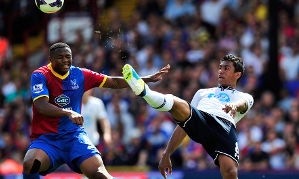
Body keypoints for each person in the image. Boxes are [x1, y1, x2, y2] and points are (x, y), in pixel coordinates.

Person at [22, 42, 169, 179]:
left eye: (68, 57)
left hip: (74, 137)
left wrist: (146, 79)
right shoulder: (40, 75)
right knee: (30, 164)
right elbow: (41, 106)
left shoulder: (80, 74)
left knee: (99, 173)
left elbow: (114, 81)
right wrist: (67, 112)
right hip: (47, 139)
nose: (65, 60)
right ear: (50, 59)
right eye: (60, 57)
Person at [122, 54, 254, 179]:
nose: (220, 71)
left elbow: (243, 104)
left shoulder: (243, 96)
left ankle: (146, 92)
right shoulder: (202, 92)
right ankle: (145, 92)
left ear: (238, 74)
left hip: (224, 127)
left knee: (230, 172)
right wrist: (167, 153)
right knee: (176, 103)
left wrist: (234, 106)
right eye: (220, 68)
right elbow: (184, 124)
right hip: (201, 120)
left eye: (226, 68)